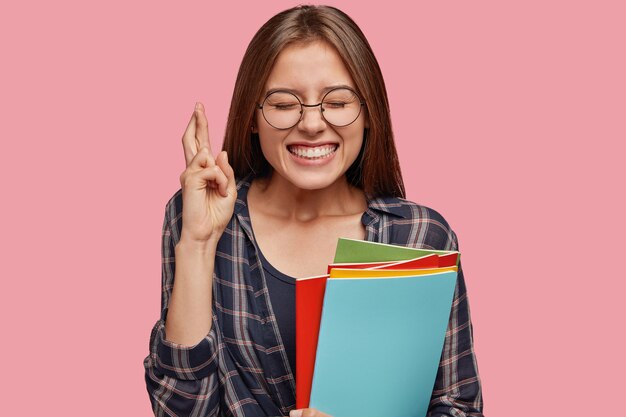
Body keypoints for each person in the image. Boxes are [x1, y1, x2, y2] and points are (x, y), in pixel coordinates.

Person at [143, 5, 483, 417]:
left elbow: (459, 407)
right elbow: (180, 411)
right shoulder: (197, 216)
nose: (311, 124)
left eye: (337, 101)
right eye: (284, 104)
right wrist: (198, 243)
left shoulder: (418, 237)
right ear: (253, 117)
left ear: (368, 112)